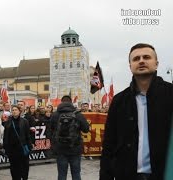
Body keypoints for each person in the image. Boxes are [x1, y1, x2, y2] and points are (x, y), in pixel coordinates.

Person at [100, 43, 173, 180]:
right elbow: (109, 144)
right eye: (136, 59)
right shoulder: (119, 101)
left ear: (156, 64)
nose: (141, 61)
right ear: (130, 67)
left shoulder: (170, 94)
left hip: (164, 174)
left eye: (146, 57)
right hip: (128, 174)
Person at [51, 95, 90, 180]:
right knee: (76, 174)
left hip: (60, 148)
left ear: (61, 102)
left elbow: (51, 129)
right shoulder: (78, 114)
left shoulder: (55, 115)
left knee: (62, 174)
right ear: (71, 102)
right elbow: (86, 130)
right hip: (75, 148)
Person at [3, 105, 32, 180]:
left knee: (24, 167)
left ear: (19, 111)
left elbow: (27, 135)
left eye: (16, 110)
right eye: (13, 110)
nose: (14, 111)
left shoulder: (24, 121)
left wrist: (29, 147)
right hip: (12, 150)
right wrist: (6, 148)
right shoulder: (8, 122)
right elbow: (5, 136)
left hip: (22, 148)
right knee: (14, 168)